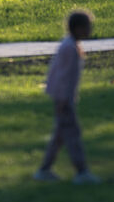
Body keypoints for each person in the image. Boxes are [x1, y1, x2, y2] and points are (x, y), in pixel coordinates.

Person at [34, 10, 99, 184]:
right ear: (77, 28)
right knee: (73, 134)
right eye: (87, 27)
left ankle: (44, 170)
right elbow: (62, 77)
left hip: (65, 98)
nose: (89, 31)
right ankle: (82, 171)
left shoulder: (71, 45)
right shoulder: (69, 48)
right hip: (63, 99)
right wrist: (63, 100)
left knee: (60, 136)